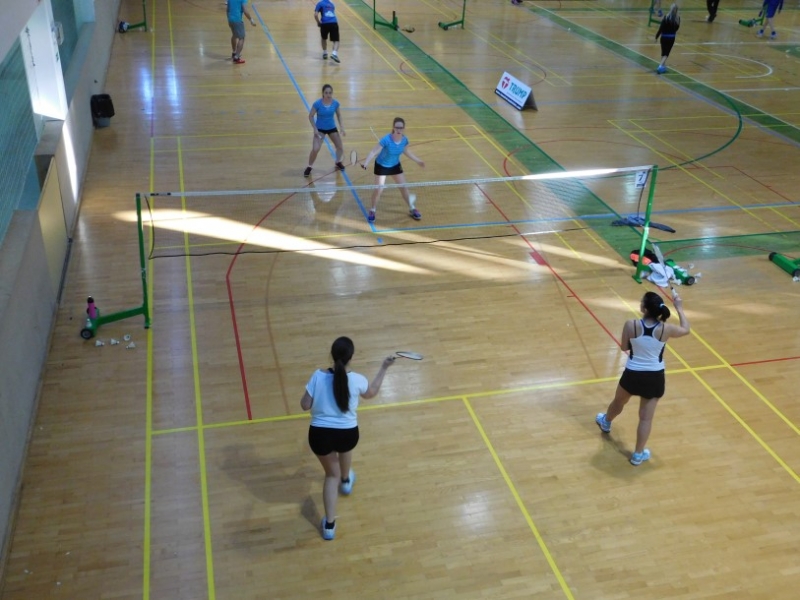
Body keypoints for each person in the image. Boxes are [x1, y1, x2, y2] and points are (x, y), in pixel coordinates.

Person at [301, 337, 396, 540]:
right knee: (344, 449)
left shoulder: (317, 376)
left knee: (330, 475)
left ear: (331, 354)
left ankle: (329, 525)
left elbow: (305, 405)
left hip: (320, 436)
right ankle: (345, 481)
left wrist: (314, 393)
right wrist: (384, 367)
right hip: (348, 434)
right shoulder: (358, 379)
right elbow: (371, 393)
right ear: (351, 358)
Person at [595, 290, 691, 465]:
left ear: (644, 309)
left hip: (632, 374)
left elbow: (624, 347)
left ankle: (606, 422)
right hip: (655, 378)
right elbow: (686, 329)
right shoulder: (666, 328)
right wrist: (679, 308)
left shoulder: (630, 325)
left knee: (618, 402)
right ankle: (638, 455)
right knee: (645, 418)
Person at [361, 117, 425, 222]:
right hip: (382, 166)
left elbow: (406, 151)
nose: (399, 130)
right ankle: (372, 210)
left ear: (404, 128)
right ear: (393, 128)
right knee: (379, 189)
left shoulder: (404, 140)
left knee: (403, 187)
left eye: (401, 128)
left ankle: (412, 208)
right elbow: (373, 151)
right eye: (397, 127)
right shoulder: (386, 140)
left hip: (395, 165)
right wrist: (366, 163)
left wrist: (418, 161)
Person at [304, 84, 346, 178]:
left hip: (332, 128)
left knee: (340, 147)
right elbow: (310, 116)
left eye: (330, 93)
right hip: (320, 129)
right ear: (323, 93)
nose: (328, 95)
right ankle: (309, 166)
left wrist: (342, 127)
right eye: (326, 93)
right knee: (315, 149)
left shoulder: (335, 103)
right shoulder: (317, 104)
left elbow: (339, 115)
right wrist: (315, 129)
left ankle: (338, 162)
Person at [227, 0, 256, 65]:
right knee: (241, 38)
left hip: (230, 19)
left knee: (234, 35)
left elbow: (228, 10)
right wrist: (251, 19)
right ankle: (236, 57)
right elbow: (245, 10)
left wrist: (229, 19)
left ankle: (234, 53)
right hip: (237, 20)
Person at [655, 4, 680, 75]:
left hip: (663, 37)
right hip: (671, 37)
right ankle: (660, 66)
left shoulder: (666, 17)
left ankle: (663, 67)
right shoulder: (677, 19)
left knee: (663, 52)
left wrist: (656, 36)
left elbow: (661, 28)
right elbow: (677, 28)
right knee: (666, 54)